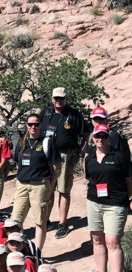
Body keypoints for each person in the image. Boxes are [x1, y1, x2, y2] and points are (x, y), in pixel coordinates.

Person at [84, 123, 130, 272]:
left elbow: (129, 179)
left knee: (112, 241)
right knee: (97, 238)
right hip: (94, 201)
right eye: (97, 136)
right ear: (93, 138)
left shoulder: (119, 156)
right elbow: (90, 177)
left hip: (115, 203)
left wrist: (130, 199)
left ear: (108, 137)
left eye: (103, 136)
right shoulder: (89, 158)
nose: (100, 139)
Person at [39, 87, 87, 239]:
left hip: (66, 155)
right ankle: (46, 221)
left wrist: (80, 150)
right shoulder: (46, 113)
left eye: (61, 98)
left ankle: (62, 223)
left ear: (66, 99)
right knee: (48, 188)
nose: (58, 101)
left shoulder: (73, 114)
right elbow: (37, 130)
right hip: (47, 154)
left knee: (63, 189)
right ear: (52, 99)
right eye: (56, 98)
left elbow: (86, 133)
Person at [10, 114, 61, 254]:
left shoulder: (46, 142)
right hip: (22, 184)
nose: (33, 127)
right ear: (26, 125)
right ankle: (19, 251)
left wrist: (50, 184)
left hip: (39, 185)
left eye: (36, 124)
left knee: (39, 221)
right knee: (16, 220)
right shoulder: (22, 142)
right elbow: (16, 162)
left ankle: (36, 254)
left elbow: (57, 167)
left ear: (40, 125)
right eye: (30, 124)